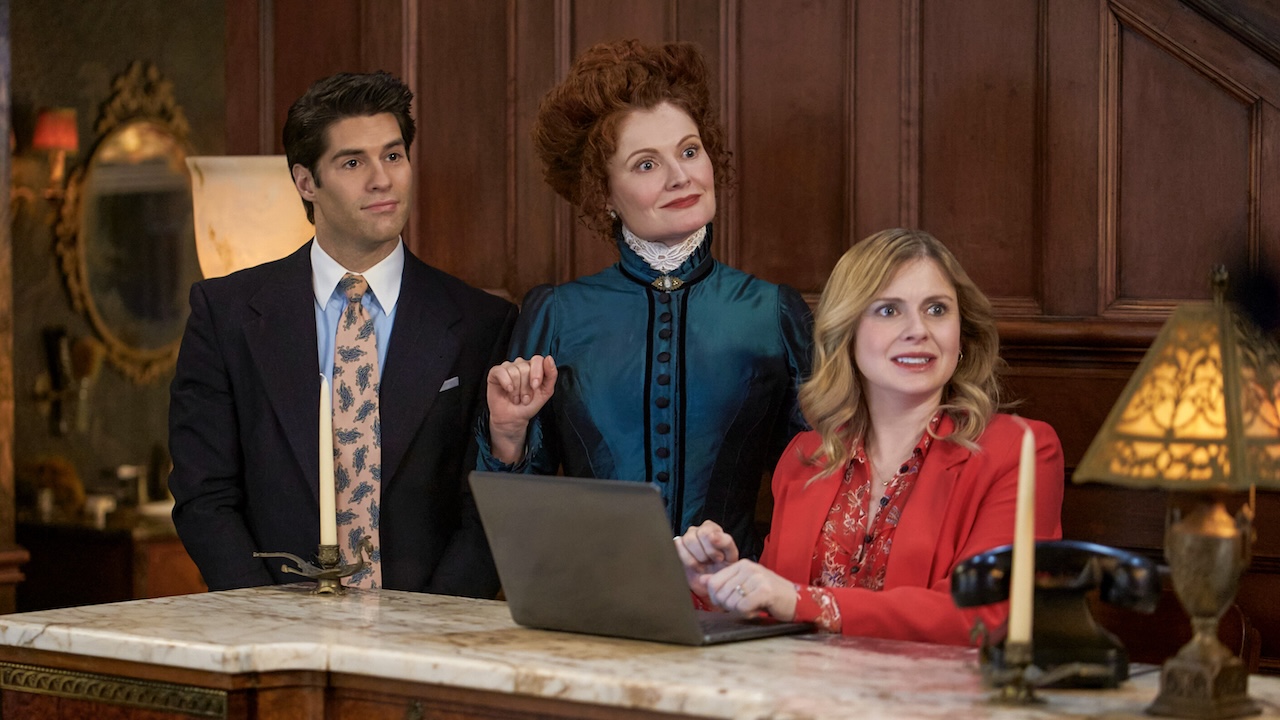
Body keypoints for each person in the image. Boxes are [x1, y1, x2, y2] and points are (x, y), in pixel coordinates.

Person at [169, 71, 517, 596]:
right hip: (272, 632)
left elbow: (486, 506)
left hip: (428, 639)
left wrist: (435, 626)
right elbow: (203, 495)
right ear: (306, 182)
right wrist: (264, 618)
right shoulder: (226, 315)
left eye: (393, 156)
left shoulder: (481, 323)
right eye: (353, 162)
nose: (382, 179)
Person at [479, 40, 812, 557]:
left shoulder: (772, 313)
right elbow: (515, 519)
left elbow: (817, 486)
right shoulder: (558, 314)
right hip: (594, 610)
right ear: (604, 194)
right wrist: (507, 430)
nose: (681, 176)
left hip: (736, 606)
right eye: (645, 164)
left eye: (688, 150)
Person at [675, 228, 1064, 645]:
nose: (918, 330)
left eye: (936, 309)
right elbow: (780, 615)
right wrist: (720, 588)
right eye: (888, 311)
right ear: (848, 334)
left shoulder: (1021, 449)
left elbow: (982, 614)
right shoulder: (806, 456)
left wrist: (802, 602)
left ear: (962, 334)